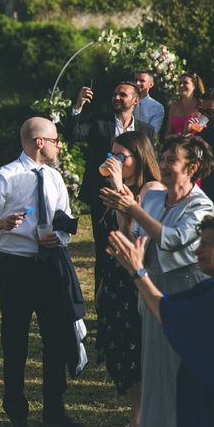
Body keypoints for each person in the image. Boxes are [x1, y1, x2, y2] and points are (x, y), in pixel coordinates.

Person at [0, 117, 81, 427]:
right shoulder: (4, 177)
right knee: (15, 339)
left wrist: (58, 237)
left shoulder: (56, 178)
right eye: (56, 139)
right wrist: (0, 223)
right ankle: (17, 412)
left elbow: (65, 220)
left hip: (49, 264)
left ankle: (54, 411)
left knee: (56, 338)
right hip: (15, 265)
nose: (60, 145)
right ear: (40, 142)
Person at [99, 134, 214, 427]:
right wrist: (124, 213)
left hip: (187, 289)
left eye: (171, 160)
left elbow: (172, 239)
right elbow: (135, 234)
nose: (163, 165)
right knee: (154, 366)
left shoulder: (201, 205)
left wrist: (133, 208)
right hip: (153, 285)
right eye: (162, 159)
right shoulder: (152, 198)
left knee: (181, 366)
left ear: (192, 167)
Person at [107, 211, 214, 427]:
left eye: (206, 244)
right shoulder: (211, 287)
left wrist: (137, 272)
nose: (197, 251)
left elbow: (167, 313)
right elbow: (166, 305)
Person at [94, 131, 164, 427]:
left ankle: (141, 420)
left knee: (140, 352)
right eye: (113, 154)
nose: (115, 161)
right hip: (115, 274)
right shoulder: (123, 189)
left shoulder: (152, 189)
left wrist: (120, 187)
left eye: (122, 155)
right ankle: (136, 416)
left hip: (138, 278)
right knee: (122, 351)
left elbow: (136, 237)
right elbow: (113, 240)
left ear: (141, 156)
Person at [64, 81, 155, 294]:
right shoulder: (99, 122)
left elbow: (150, 162)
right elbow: (73, 134)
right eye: (114, 94)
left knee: (133, 243)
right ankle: (101, 296)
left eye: (122, 95)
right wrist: (78, 106)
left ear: (135, 100)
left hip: (133, 195)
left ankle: (133, 293)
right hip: (103, 195)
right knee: (104, 248)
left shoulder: (145, 130)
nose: (116, 97)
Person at [163, 72, 205, 137]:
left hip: (194, 144)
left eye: (185, 83)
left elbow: (201, 130)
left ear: (194, 87)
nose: (181, 85)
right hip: (175, 144)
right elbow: (168, 131)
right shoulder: (174, 106)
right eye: (180, 83)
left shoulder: (201, 106)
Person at [133, 70, 165, 137]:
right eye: (136, 80)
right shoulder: (127, 102)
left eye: (142, 81)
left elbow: (153, 132)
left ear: (151, 84)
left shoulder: (157, 107)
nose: (137, 83)